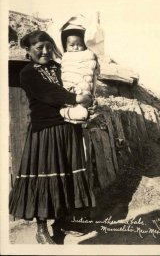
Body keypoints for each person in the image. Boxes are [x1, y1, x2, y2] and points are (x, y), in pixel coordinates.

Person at [9, 30, 96, 244]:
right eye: (40, 48)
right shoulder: (28, 73)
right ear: (28, 50)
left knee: (65, 176)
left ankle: (61, 222)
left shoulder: (60, 68)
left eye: (49, 46)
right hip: (46, 132)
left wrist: (87, 95)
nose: (46, 51)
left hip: (67, 127)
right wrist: (75, 97)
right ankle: (41, 229)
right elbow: (49, 93)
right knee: (45, 177)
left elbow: (76, 79)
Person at [60, 28, 100, 123]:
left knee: (84, 92)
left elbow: (90, 69)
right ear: (65, 47)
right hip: (70, 82)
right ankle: (72, 110)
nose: (76, 48)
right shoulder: (65, 57)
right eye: (72, 45)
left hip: (83, 82)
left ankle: (81, 110)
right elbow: (65, 71)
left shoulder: (87, 55)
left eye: (79, 45)